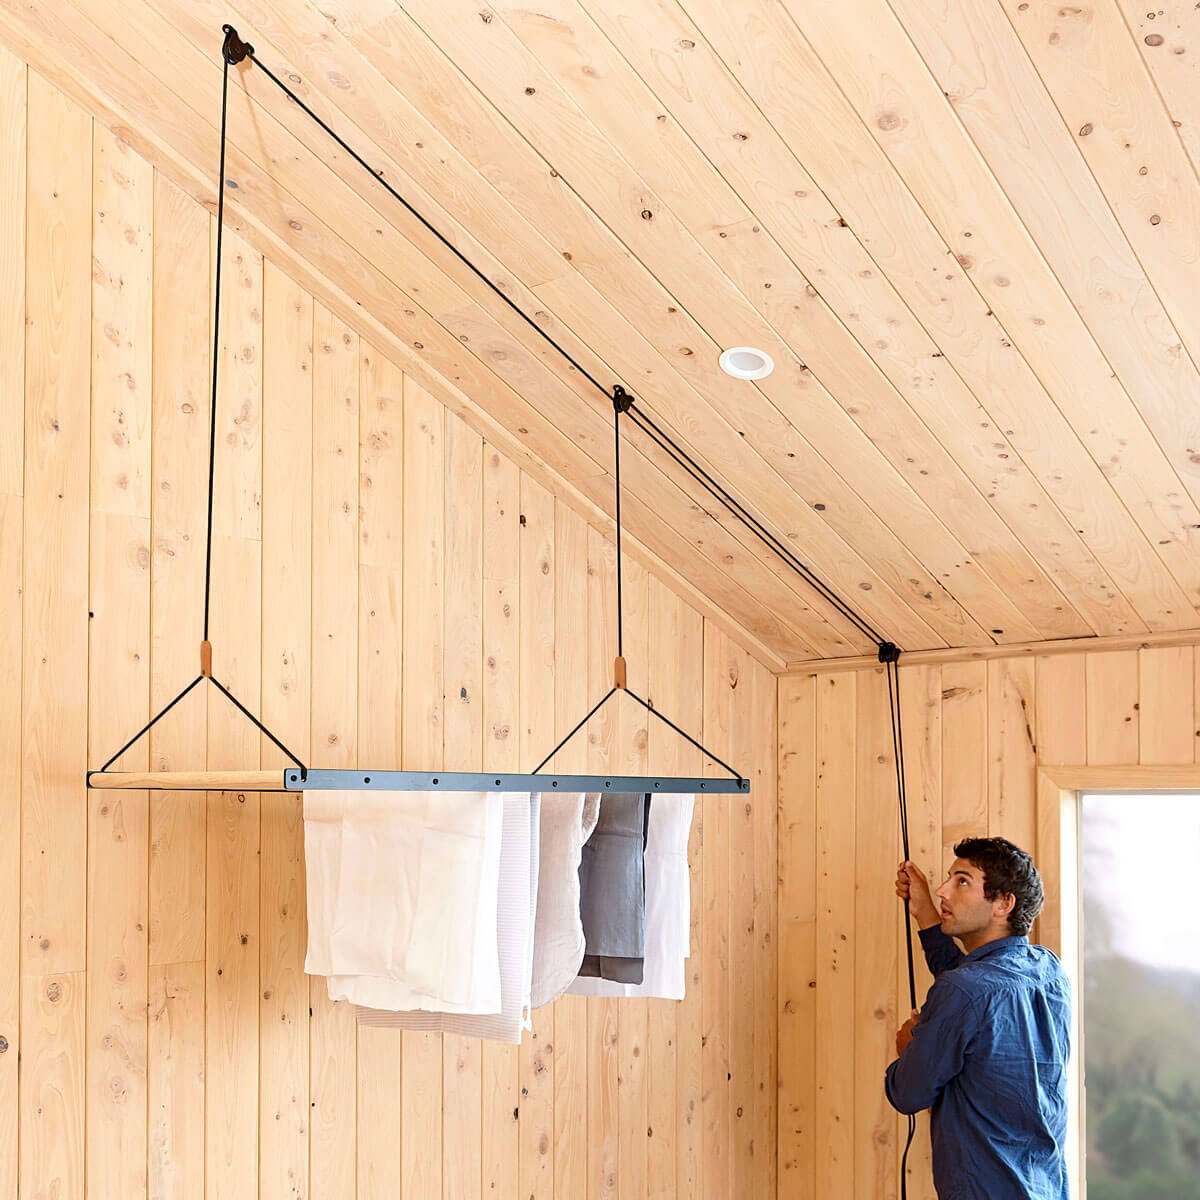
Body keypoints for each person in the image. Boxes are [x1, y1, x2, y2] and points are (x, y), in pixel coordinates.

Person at [885, 837, 1071, 1199]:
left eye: (962, 881)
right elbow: (972, 986)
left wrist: (908, 1048)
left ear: (1004, 903)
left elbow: (907, 1094)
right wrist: (925, 912)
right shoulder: (1049, 970)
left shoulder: (966, 990)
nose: (942, 889)